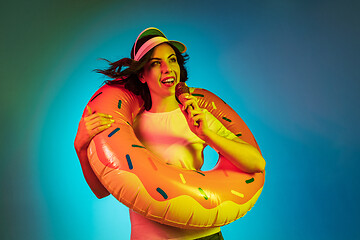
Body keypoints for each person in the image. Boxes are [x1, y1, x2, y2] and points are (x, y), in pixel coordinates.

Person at [74, 27, 265, 240]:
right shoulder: (126, 126)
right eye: (156, 63)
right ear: (142, 75)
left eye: (172, 60)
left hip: (204, 236)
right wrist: (81, 149)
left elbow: (257, 163)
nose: (167, 69)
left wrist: (207, 134)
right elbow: (102, 192)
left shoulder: (198, 114)